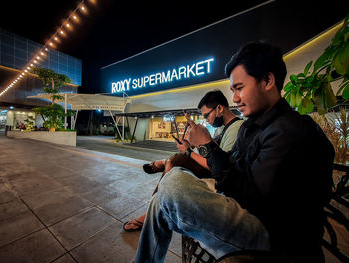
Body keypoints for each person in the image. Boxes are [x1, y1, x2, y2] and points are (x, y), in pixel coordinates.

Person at [133, 41, 334, 263]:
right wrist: (203, 148)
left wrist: (207, 146)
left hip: (276, 237)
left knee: (172, 186)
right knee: (172, 182)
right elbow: (232, 168)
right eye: (233, 90)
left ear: (268, 80)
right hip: (248, 211)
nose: (235, 98)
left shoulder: (289, 131)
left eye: (239, 88)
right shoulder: (253, 125)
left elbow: (252, 198)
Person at [123, 90, 244, 231]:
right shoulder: (221, 129)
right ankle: (164, 167)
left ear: (219, 108)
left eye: (207, 115)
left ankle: (151, 210)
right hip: (211, 171)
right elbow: (212, 154)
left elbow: (219, 167)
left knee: (176, 160)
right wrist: (195, 143)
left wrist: (188, 151)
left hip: (219, 180)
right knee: (175, 160)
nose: (207, 119)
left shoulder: (236, 128)